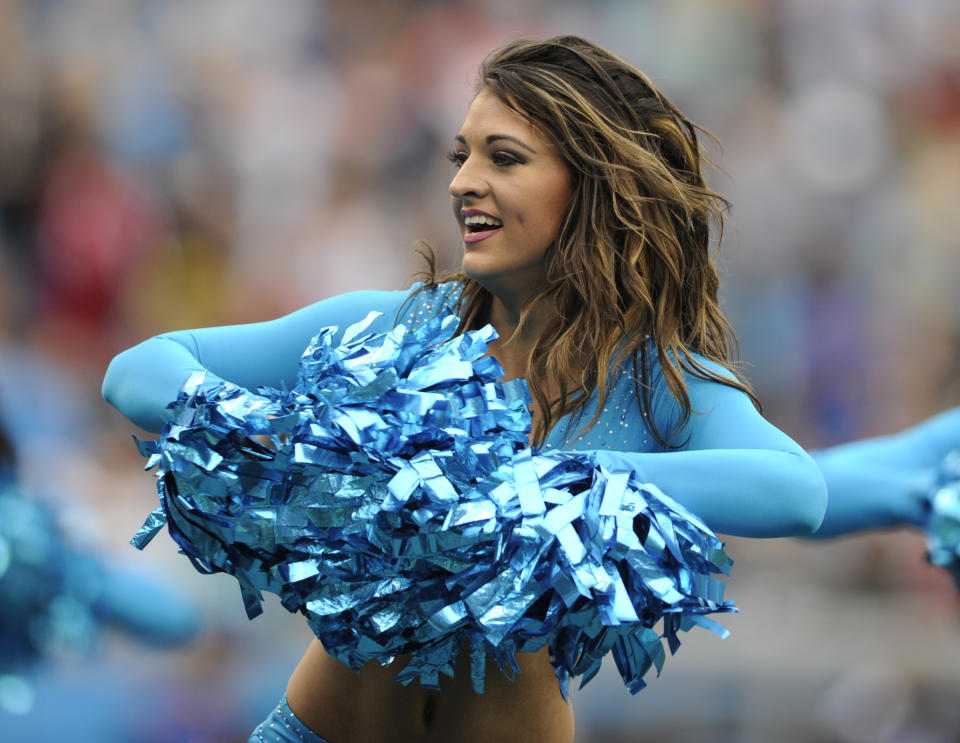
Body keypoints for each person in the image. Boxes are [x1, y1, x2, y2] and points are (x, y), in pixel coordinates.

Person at [101, 35, 951, 743]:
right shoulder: (397, 328)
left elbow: (793, 490)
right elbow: (136, 371)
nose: (462, 180)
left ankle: (911, 478)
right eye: (461, 154)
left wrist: (539, 482)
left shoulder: (659, 381)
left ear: (594, 187)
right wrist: (288, 436)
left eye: (503, 157)